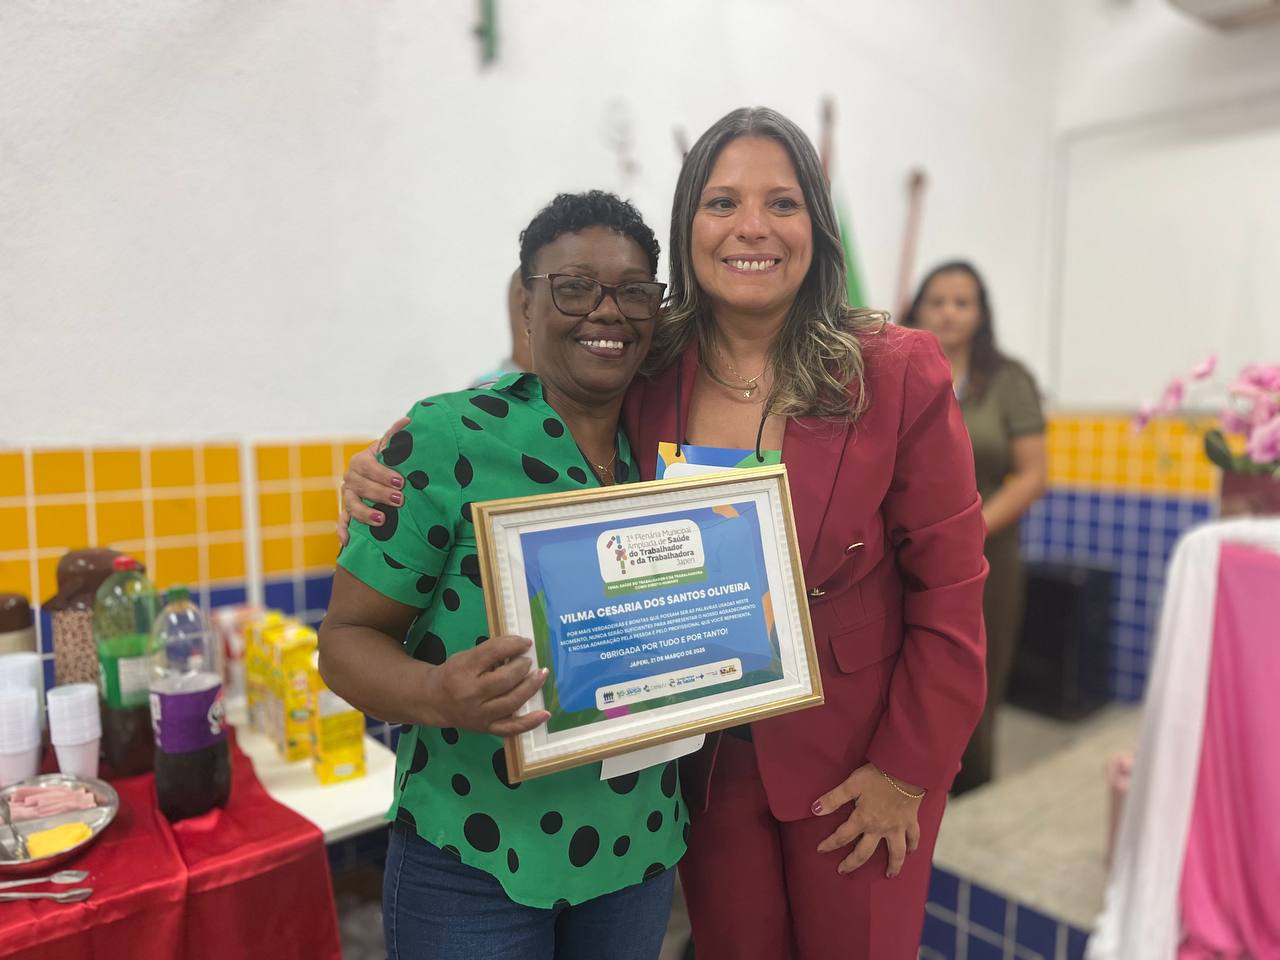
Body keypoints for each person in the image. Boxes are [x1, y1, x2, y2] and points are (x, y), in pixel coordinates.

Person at [341, 107, 987, 959]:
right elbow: (535, 402)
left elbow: (952, 591)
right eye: (722, 202)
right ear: (688, 226)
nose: (751, 227)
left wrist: (908, 771)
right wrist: (391, 458)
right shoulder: (649, 364)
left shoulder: (892, 370)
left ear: (818, 226)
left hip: (857, 761)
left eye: (782, 203)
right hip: (699, 768)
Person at [319, 191, 683, 960]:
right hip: (476, 858)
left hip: (638, 846)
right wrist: (435, 693)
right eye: (574, 287)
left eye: (632, 291)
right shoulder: (446, 438)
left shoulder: (673, 450)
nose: (606, 310)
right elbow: (344, 640)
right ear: (526, 305)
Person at [902, 261, 1047, 794]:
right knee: (909, 678)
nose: (949, 313)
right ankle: (906, 786)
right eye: (937, 301)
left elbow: (1033, 475)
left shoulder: (1009, 380)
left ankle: (972, 794)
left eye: (962, 303)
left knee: (973, 680)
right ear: (917, 309)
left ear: (981, 314)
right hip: (903, 555)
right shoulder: (896, 371)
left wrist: (967, 532)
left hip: (986, 559)